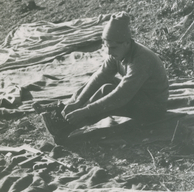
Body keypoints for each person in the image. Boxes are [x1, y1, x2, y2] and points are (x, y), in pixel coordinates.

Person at [41, 12, 169, 143]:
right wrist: (78, 102)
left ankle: (66, 127)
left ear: (126, 43)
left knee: (107, 90)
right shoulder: (118, 53)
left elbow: (120, 95)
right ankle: (67, 108)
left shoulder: (141, 60)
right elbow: (99, 77)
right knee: (103, 82)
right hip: (139, 95)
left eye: (113, 47)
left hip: (153, 109)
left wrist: (85, 111)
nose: (109, 52)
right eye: (107, 47)